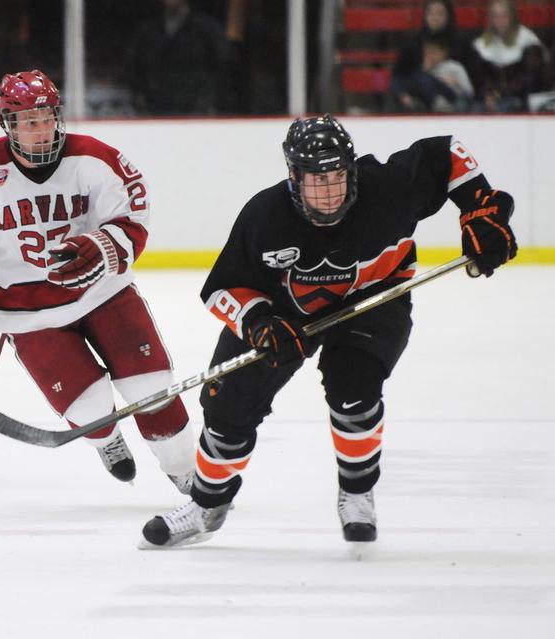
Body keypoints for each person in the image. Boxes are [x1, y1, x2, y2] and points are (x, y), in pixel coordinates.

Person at [141, 114, 517, 547]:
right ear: (293, 177)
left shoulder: (387, 188)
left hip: (375, 298)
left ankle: (357, 495)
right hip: (284, 313)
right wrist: (260, 322)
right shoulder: (265, 216)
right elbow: (221, 289)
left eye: (337, 175)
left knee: (353, 387)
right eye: (316, 180)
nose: (330, 191)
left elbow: (447, 152)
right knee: (228, 403)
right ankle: (207, 505)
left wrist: (482, 209)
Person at [0, 69, 195, 491]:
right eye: (30, 121)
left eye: (48, 117)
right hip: (25, 314)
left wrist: (105, 244)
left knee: (151, 387)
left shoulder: (92, 157)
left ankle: (189, 476)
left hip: (103, 293)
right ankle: (106, 439)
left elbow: (133, 209)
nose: (42, 130)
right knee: (91, 407)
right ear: (8, 125)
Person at [124, 0, 231, 115]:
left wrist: (208, 101)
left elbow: (223, 68)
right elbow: (133, 66)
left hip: (196, 112)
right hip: (155, 110)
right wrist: (139, 95)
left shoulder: (207, 30)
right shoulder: (148, 30)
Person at [469, 0, 551, 112]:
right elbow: (479, 79)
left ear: (513, 16)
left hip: (521, 97)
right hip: (491, 98)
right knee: (474, 108)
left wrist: (501, 94)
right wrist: (488, 96)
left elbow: (531, 79)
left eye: (504, 15)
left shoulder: (528, 41)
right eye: (495, 16)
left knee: (506, 107)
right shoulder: (481, 44)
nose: (500, 20)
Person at [391, 0, 468, 112]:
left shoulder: (461, 44)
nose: (435, 18)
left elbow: (472, 83)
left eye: (439, 14)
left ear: (448, 16)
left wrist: (457, 83)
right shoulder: (413, 45)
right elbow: (398, 77)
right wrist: (402, 96)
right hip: (420, 97)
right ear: (425, 16)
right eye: (431, 13)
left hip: (455, 97)